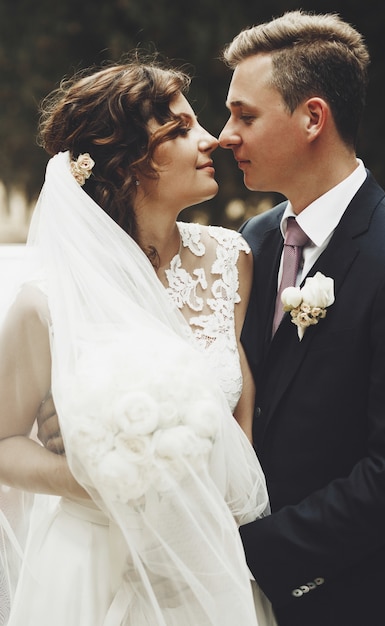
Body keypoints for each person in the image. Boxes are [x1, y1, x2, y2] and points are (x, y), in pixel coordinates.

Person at [0, 53, 274, 625]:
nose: (210, 141)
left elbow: (238, 397)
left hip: (209, 565)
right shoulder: (46, 303)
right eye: (179, 130)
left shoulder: (231, 262)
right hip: (96, 574)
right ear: (126, 163)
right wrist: (91, 480)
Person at [218, 9, 385, 626]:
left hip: (357, 598)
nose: (225, 135)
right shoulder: (254, 240)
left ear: (312, 117)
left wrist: (249, 556)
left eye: (244, 115)